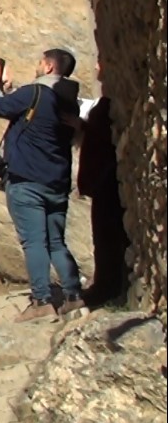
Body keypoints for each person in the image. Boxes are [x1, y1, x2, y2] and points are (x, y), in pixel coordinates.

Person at [0, 48, 85, 321]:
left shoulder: (33, 93)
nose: (37, 66)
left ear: (50, 66)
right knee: (56, 241)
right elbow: (32, 114)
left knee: (34, 242)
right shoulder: (68, 103)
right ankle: (74, 297)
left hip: (27, 181)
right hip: (57, 182)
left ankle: (41, 301)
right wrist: (11, 90)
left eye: (41, 62)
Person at [78, 91, 128, 306]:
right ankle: (108, 284)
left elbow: (101, 139)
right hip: (104, 180)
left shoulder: (108, 106)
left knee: (107, 237)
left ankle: (107, 287)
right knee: (106, 237)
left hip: (105, 180)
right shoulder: (106, 105)